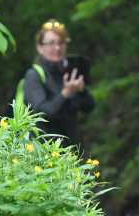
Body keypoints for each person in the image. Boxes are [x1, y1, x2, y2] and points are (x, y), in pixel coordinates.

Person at [22, 19, 94, 150]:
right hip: (43, 151)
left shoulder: (68, 73)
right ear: (40, 47)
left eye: (61, 43)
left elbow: (89, 107)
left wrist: (81, 90)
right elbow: (42, 113)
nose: (57, 48)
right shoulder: (34, 75)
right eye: (51, 43)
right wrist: (65, 94)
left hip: (72, 149)